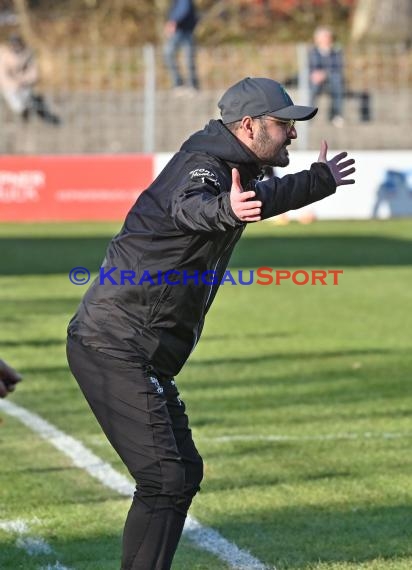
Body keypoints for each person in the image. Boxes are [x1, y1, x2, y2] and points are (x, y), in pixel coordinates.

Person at [66, 77, 355, 570]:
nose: (292, 134)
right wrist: (224, 209)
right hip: (114, 345)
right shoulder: (204, 167)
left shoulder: (233, 165)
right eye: (284, 125)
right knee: (166, 477)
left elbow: (263, 196)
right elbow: (192, 206)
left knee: (181, 473)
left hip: (137, 347)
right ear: (249, 126)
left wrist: (318, 180)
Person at [0, 34, 60, 124]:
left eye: (17, 43)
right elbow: (3, 74)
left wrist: (24, 80)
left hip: (24, 84)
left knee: (27, 97)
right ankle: (23, 111)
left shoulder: (28, 54)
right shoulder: (4, 55)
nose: (16, 46)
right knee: (14, 100)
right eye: (13, 44)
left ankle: (34, 110)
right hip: (9, 85)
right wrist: (13, 83)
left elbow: (33, 72)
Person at [309, 26, 345, 127]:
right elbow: (310, 67)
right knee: (314, 86)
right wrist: (315, 74)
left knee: (337, 82)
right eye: (324, 37)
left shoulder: (336, 51)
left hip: (332, 79)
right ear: (317, 39)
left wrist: (324, 74)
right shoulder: (312, 51)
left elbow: (338, 67)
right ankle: (309, 114)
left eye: (328, 36)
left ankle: (336, 115)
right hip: (315, 79)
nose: (327, 39)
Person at [163, 0, 199, 93]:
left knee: (172, 54)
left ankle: (182, 84)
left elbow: (184, 8)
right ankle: (188, 85)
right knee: (187, 58)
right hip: (185, 30)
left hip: (182, 30)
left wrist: (173, 21)